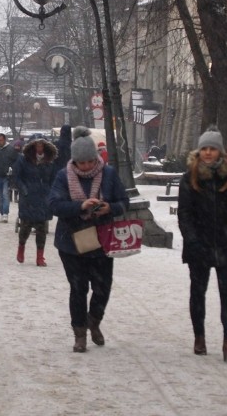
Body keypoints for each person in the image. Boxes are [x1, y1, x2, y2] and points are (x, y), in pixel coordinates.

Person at [177, 126, 227, 365]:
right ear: (199, 152)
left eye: (213, 149)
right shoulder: (190, 177)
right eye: (205, 149)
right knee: (197, 294)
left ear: (220, 152)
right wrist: (192, 241)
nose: (208, 153)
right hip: (199, 246)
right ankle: (199, 337)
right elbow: (185, 214)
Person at [48, 126, 129, 352]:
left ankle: (94, 321)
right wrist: (79, 206)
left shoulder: (109, 174)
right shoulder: (64, 176)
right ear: (74, 161)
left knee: (102, 287)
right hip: (71, 241)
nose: (85, 166)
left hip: (102, 240)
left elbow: (124, 202)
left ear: (96, 158)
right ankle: (80, 333)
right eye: (81, 163)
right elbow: (54, 204)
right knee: (78, 288)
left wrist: (109, 208)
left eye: (89, 162)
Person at [12, 136, 58, 266]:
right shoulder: (23, 160)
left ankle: (40, 257)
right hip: (28, 198)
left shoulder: (50, 161)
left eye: (42, 145)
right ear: (32, 146)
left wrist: (52, 193)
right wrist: (24, 190)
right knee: (25, 227)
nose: (39, 148)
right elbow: (17, 177)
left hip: (43, 198)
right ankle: (21, 247)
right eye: (37, 145)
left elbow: (54, 179)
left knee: (41, 228)